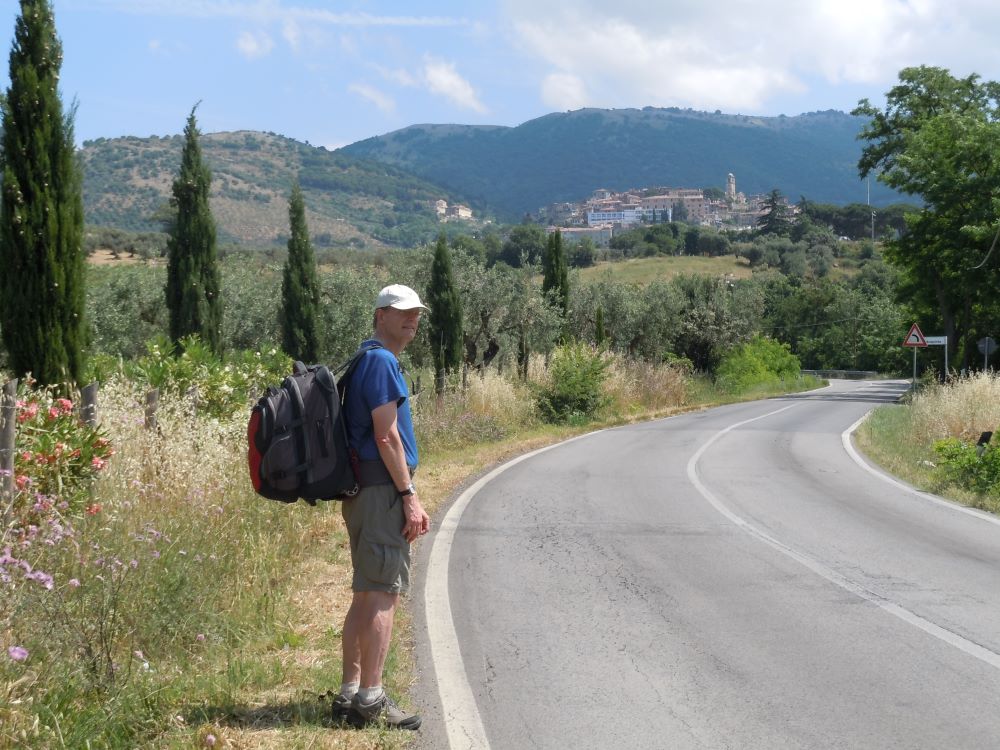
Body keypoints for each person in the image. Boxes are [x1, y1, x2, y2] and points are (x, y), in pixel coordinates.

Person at [332, 284, 431, 730]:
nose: (412, 319)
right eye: (403, 312)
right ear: (380, 316)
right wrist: (408, 495)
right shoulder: (382, 361)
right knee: (383, 592)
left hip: (362, 493)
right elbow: (386, 436)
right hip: (380, 494)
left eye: (416, 313)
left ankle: (350, 693)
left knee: (365, 592)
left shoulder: (364, 359)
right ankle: (371, 698)